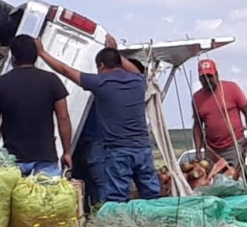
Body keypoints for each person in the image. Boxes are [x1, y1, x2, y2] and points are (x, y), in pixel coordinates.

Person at [36, 35, 160, 202]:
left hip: (118, 152)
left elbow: (65, 70)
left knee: (117, 199)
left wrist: (42, 53)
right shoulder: (138, 81)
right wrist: (115, 51)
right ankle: (158, 224)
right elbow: (136, 70)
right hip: (143, 149)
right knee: (152, 195)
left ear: (101, 66)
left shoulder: (100, 83)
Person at [0, 35, 73, 176]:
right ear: (36, 56)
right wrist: (67, 152)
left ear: (13, 58)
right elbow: (63, 118)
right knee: (47, 198)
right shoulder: (52, 81)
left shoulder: (0, 84)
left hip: (12, 160)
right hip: (46, 159)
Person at [192, 59, 247, 175]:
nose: (207, 81)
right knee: (213, 181)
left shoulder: (231, 88)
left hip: (233, 144)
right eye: (203, 78)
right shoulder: (197, 98)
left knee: (234, 179)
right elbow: (197, 126)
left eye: (210, 76)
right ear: (199, 79)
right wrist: (198, 150)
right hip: (212, 148)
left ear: (216, 75)